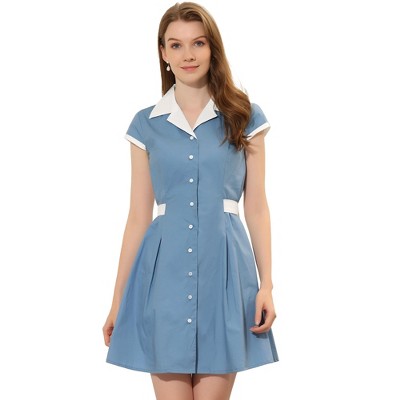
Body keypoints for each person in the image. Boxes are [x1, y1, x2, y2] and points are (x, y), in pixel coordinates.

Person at [102, 2, 279, 399]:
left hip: (224, 274)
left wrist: (266, 285)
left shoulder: (243, 115)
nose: (188, 55)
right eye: (176, 45)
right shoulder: (145, 124)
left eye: (198, 43)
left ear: (212, 48)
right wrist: (117, 301)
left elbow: (256, 206)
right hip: (162, 276)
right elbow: (138, 216)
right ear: (163, 53)